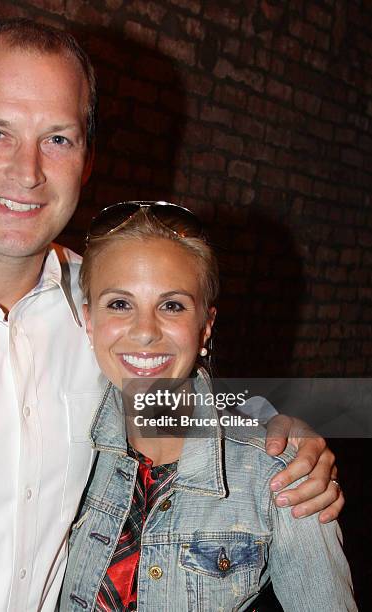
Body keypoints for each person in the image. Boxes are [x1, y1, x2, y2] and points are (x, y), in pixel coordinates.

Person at [0, 18, 342, 612]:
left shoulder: (104, 304)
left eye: (57, 138)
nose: (27, 171)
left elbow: (176, 396)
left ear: (86, 163)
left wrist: (275, 425)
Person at [59, 201, 356, 611]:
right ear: (89, 321)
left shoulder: (280, 476)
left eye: (172, 305)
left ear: (206, 326)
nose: (145, 332)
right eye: (120, 304)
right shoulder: (60, 446)